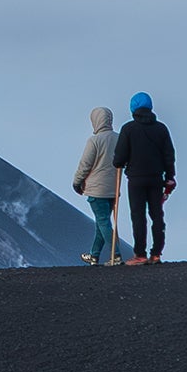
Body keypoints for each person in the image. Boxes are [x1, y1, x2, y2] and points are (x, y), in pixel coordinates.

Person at [114, 93, 175, 265]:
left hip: (136, 179)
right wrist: (170, 177)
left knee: (138, 215)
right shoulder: (161, 129)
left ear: (133, 108)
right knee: (157, 215)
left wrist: (121, 162)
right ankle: (156, 254)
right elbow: (169, 155)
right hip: (156, 178)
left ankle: (140, 254)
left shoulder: (128, 129)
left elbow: (119, 158)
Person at [72, 106, 121, 267]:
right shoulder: (118, 138)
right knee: (102, 222)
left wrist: (77, 182)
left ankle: (116, 255)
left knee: (102, 222)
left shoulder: (94, 141)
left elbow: (85, 164)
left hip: (97, 189)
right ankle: (94, 256)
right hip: (113, 189)